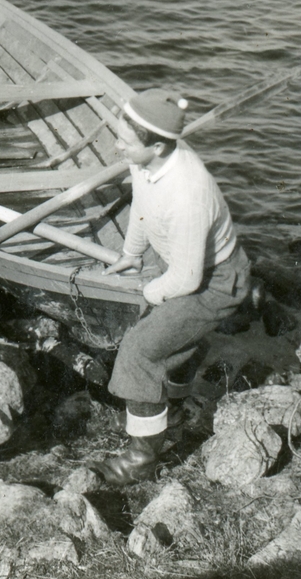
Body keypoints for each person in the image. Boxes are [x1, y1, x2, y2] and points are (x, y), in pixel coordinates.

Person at [94, 89, 251, 485]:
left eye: (125, 142)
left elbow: (187, 280)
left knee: (140, 350)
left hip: (216, 282)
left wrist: (148, 295)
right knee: (174, 339)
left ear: (158, 146)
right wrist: (131, 254)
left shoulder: (187, 192)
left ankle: (141, 460)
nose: (117, 147)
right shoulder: (146, 162)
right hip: (185, 265)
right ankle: (174, 412)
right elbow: (142, 206)